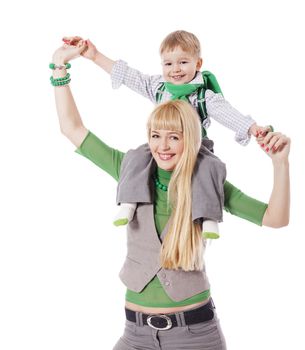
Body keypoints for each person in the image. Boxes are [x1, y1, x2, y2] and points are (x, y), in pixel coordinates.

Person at [51, 40, 290, 350]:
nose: (162, 146)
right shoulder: (130, 168)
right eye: (155, 136)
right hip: (135, 335)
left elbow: (275, 218)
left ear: (189, 139)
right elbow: (72, 128)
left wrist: (280, 164)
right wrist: (59, 67)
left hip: (195, 337)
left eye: (173, 137)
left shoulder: (207, 180)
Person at [63, 31, 273, 238]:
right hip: (164, 145)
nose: (175, 70)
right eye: (168, 64)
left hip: (196, 148)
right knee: (135, 157)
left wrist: (253, 128)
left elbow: (229, 114)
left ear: (198, 64)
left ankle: (208, 217)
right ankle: (128, 203)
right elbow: (129, 76)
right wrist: (95, 56)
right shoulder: (158, 87)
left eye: (183, 62)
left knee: (210, 168)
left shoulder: (203, 97)